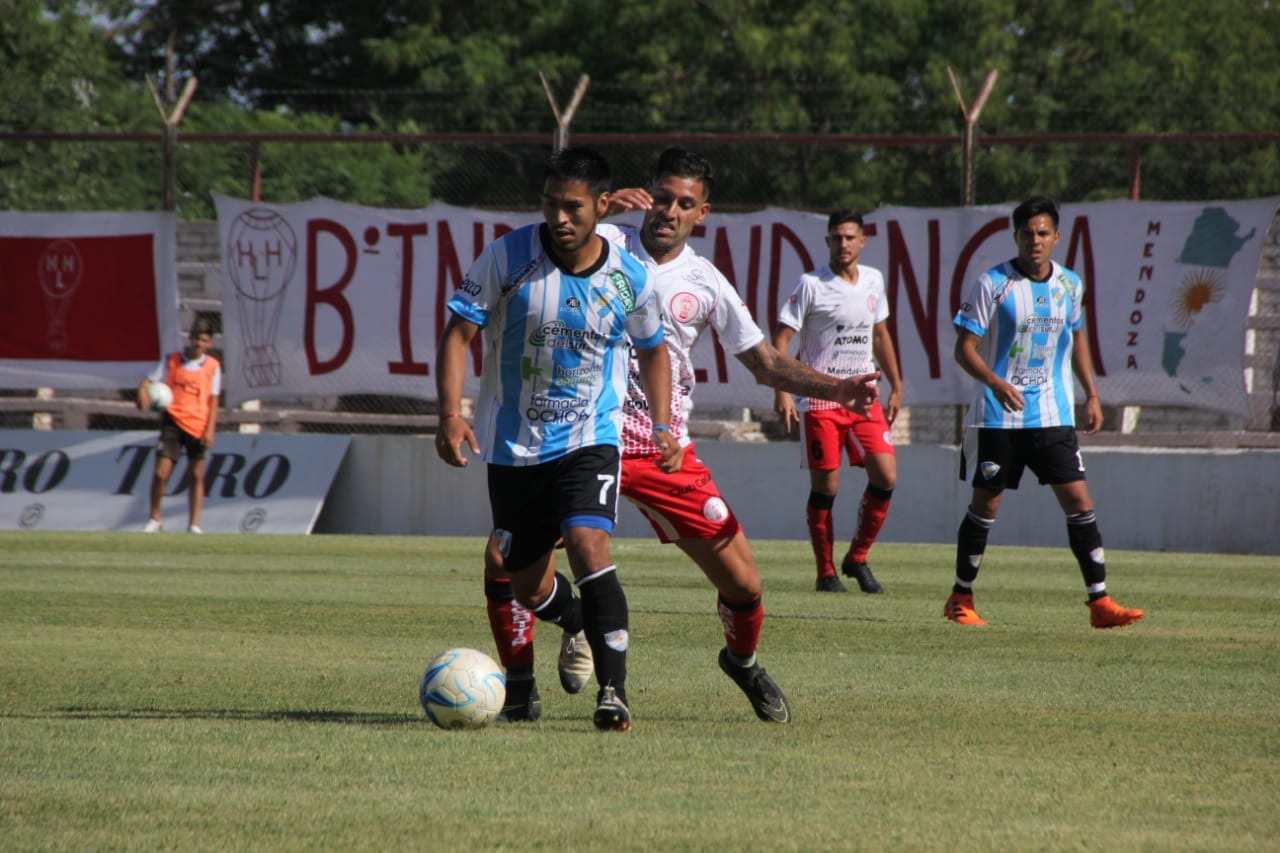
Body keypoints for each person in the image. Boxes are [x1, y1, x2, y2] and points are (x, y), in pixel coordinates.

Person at [482, 148, 882, 724]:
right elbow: (557, 215)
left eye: (684, 203)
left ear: (703, 213)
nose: (669, 210)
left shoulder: (705, 282)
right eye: (662, 196)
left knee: (744, 584)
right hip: (580, 438)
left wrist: (837, 388)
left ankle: (741, 663)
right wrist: (604, 207)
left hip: (661, 451)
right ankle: (525, 682)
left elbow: (765, 362)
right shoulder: (602, 241)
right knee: (504, 561)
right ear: (644, 194)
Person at [435, 146, 680, 732]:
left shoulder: (630, 276)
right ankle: (574, 621)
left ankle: (614, 693)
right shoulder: (507, 256)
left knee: (590, 544)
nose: (559, 218)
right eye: (550, 205)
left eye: (572, 207)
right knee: (525, 581)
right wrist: (451, 414)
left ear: (602, 206)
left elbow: (653, 351)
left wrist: (666, 425)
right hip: (514, 445)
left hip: (590, 437)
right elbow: (457, 335)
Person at [946, 196, 1143, 629]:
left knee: (1078, 500)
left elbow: (1077, 335)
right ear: (1015, 237)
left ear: (1056, 237)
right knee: (987, 504)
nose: (1034, 240)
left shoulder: (1070, 284)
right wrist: (996, 383)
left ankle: (1100, 603)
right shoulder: (992, 283)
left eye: (1042, 233)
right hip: (998, 417)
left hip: (1052, 415)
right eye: (1026, 233)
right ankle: (961, 596)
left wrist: (1091, 393)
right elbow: (964, 349)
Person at [773, 210, 903, 594]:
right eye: (836, 238)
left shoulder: (874, 280)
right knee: (826, 488)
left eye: (850, 238)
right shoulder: (811, 284)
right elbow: (780, 340)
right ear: (828, 242)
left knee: (886, 475)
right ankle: (825, 572)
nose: (843, 244)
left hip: (863, 398)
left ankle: (857, 557)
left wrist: (896, 384)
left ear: (862, 241)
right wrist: (782, 389)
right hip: (821, 400)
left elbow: (880, 334)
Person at [136, 317, 221, 533]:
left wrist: (210, 429)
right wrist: (142, 393)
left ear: (209, 343)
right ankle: (155, 519)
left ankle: (194, 524)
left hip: (198, 425)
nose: (199, 344)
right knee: (160, 473)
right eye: (196, 339)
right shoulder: (172, 360)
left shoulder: (213, 366)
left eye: (204, 340)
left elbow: (213, 399)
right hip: (173, 422)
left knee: (196, 475)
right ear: (190, 338)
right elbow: (148, 381)